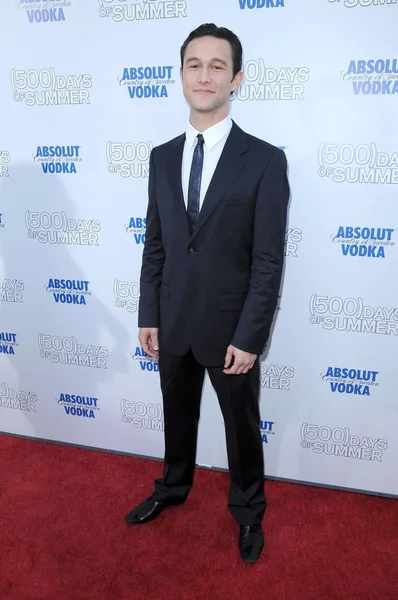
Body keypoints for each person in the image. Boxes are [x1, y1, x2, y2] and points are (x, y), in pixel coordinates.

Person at [126, 23, 290, 564]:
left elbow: (268, 261)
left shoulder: (265, 160)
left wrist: (250, 337)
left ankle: (248, 513)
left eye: (217, 66)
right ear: (180, 75)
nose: (204, 74)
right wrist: (149, 311)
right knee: (177, 415)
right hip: (172, 319)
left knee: (241, 430)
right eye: (194, 64)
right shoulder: (160, 156)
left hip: (230, 331)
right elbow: (156, 245)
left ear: (236, 79)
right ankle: (172, 487)